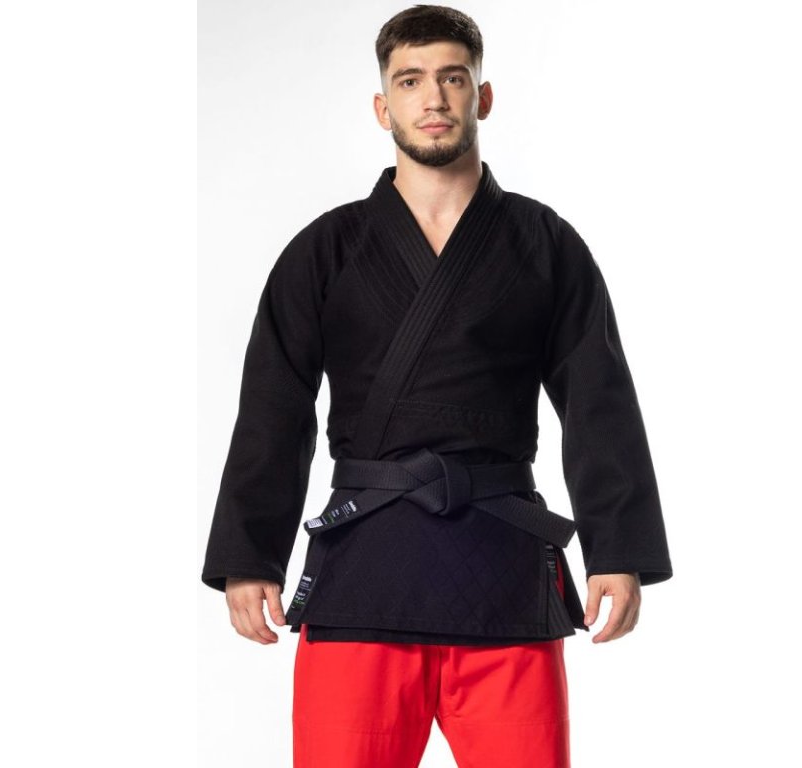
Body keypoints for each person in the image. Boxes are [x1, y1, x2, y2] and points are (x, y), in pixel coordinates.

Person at [201, 5, 672, 766]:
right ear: (382, 105)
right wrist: (250, 554)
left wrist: (618, 549)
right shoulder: (326, 249)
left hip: (503, 573)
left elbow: (598, 398)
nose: (434, 98)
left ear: (482, 96)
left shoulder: (545, 245)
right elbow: (274, 405)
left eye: (453, 79)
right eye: (411, 81)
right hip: (364, 573)